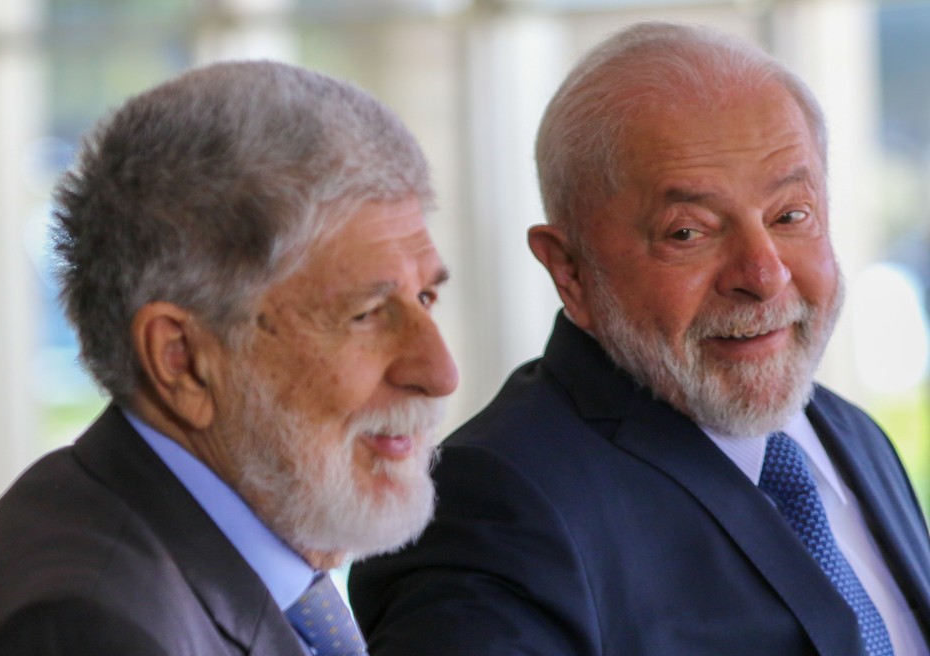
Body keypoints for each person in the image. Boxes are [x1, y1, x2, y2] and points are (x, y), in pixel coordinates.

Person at [348, 21, 930, 656]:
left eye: (791, 215)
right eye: (688, 232)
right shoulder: (490, 506)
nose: (763, 276)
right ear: (570, 270)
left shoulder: (850, 437)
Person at [0, 60, 458, 655]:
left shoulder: (211, 567)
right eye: (365, 314)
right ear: (182, 360)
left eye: (425, 297)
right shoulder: (88, 627)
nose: (439, 372)